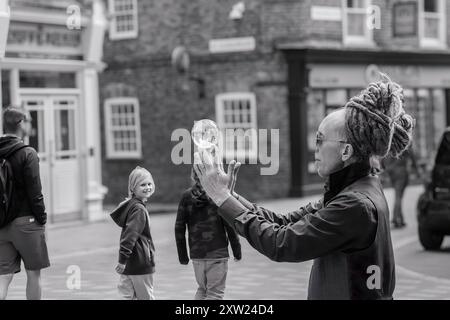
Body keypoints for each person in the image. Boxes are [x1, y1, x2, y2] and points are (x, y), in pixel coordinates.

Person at [193, 75, 414, 299]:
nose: (314, 148)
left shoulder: (354, 204)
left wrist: (222, 199)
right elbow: (283, 222)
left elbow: (281, 243)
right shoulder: (351, 191)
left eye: (320, 140)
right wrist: (230, 196)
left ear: (346, 152)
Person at [0, 106, 49, 300]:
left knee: (3, 278)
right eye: (28, 120)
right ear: (20, 124)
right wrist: (42, 218)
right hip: (27, 223)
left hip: (1, 224)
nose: (30, 124)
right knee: (33, 274)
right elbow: (35, 191)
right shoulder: (28, 153)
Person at [175, 168, 242, 300]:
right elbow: (230, 224)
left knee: (202, 290)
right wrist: (237, 250)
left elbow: (179, 228)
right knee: (215, 294)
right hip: (217, 255)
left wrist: (183, 256)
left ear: (193, 175)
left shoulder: (186, 197)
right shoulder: (219, 196)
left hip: (197, 257)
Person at [110, 166, 156, 300]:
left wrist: (123, 260)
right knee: (146, 297)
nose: (147, 187)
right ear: (133, 188)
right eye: (142, 185)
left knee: (126, 296)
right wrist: (122, 259)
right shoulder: (139, 209)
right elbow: (129, 236)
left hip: (129, 265)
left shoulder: (130, 205)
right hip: (140, 263)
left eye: (149, 183)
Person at [382, 148, 422, 228]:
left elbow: (384, 156)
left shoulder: (392, 139)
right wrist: (417, 171)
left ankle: (400, 218)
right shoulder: (405, 139)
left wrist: (385, 170)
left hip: (392, 171)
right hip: (401, 171)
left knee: (398, 196)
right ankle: (396, 219)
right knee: (399, 197)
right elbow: (412, 157)